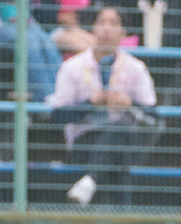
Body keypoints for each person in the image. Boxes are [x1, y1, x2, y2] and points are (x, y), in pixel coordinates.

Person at [47, 5, 160, 206]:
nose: (107, 29)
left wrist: (130, 104)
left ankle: (89, 182)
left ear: (123, 33)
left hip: (128, 141)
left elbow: (153, 116)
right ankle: (122, 223)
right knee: (118, 156)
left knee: (122, 131)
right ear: (93, 28)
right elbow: (58, 115)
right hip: (85, 141)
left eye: (114, 23)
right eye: (101, 22)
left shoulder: (136, 68)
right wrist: (90, 103)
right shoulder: (72, 67)